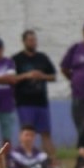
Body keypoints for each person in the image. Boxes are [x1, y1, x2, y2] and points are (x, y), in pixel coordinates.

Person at [12, 30, 58, 160]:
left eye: (34, 40)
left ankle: (52, 163)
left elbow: (53, 76)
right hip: (24, 103)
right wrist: (27, 75)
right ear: (24, 41)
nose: (33, 42)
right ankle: (24, 160)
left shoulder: (42, 58)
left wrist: (42, 76)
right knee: (27, 133)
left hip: (41, 102)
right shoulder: (17, 59)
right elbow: (11, 79)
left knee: (46, 133)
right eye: (30, 40)